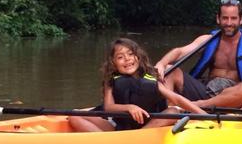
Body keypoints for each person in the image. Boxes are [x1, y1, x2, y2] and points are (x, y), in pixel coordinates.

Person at [155, 0, 242, 108]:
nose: (229, 23)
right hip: (207, 90)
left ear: (241, 19)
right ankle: (171, 111)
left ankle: (200, 106)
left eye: (233, 18)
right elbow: (180, 52)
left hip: (234, 96)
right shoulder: (206, 40)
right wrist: (161, 63)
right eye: (225, 18)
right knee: (170, 70)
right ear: (218, 18)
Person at [69, 38, 206, 132]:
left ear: (138, 57)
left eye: (130, 54)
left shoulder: (150, 78)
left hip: (150, 123)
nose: (127, 59)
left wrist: (204, 115)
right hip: (119, 125)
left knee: (173, 112)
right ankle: (105, 142)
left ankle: (138, 136)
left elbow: (176, 99)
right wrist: (130, 107)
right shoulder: (111, 80)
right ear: (113, 62)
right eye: (120, 57)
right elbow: (108, 108)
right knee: (74, 115)